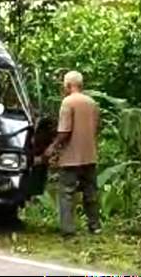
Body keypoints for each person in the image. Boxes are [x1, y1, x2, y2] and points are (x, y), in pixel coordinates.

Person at [43, 70, 101, 236]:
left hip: (71, 157)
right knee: (90, 192)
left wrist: (52, 148)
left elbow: (64, 132)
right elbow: (97, 127)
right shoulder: (92, 102)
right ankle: (95, 226)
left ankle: (68, 229)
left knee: (67, 193)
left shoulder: (68, 103)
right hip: (89, 155)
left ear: (68, 85)